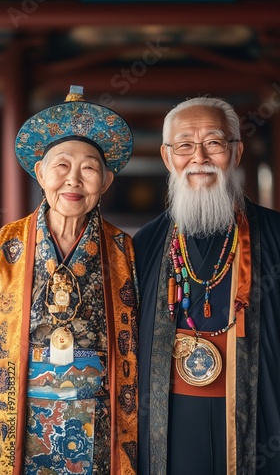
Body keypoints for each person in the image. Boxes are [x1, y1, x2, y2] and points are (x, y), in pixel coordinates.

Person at [133, 96, 280, 475]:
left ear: (236, 151)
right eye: (184, 145)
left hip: (260, 416)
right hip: (170, 422)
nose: (199, 157)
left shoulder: (277, 234)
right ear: (168, 158)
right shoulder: (142, 245)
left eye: (213, 142)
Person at [0, 85, 138, 475]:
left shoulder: (124, 250)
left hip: (100, 414)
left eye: (90, 168)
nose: (73, 180)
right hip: (18, 408)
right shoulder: (7, 245)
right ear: (40, 172)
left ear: (107, 182)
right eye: (61, 166)